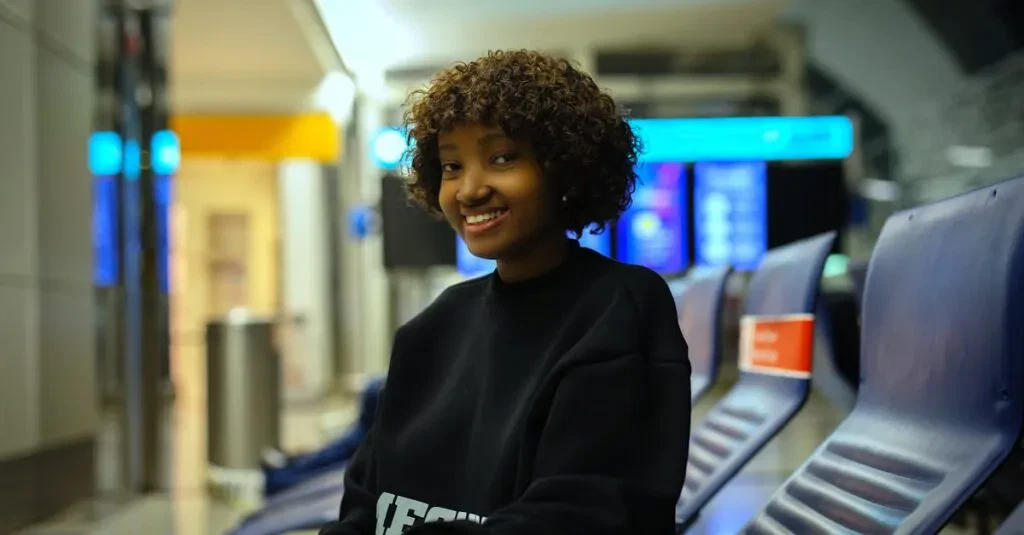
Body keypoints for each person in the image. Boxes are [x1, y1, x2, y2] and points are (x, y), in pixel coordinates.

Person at [321, 49, 691, 535]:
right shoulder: (434, 327)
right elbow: (364, 501)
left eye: (502, 158)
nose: (470, 189)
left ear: (564, 168)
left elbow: (580, 514)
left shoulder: (618, 310)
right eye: (451, 166)